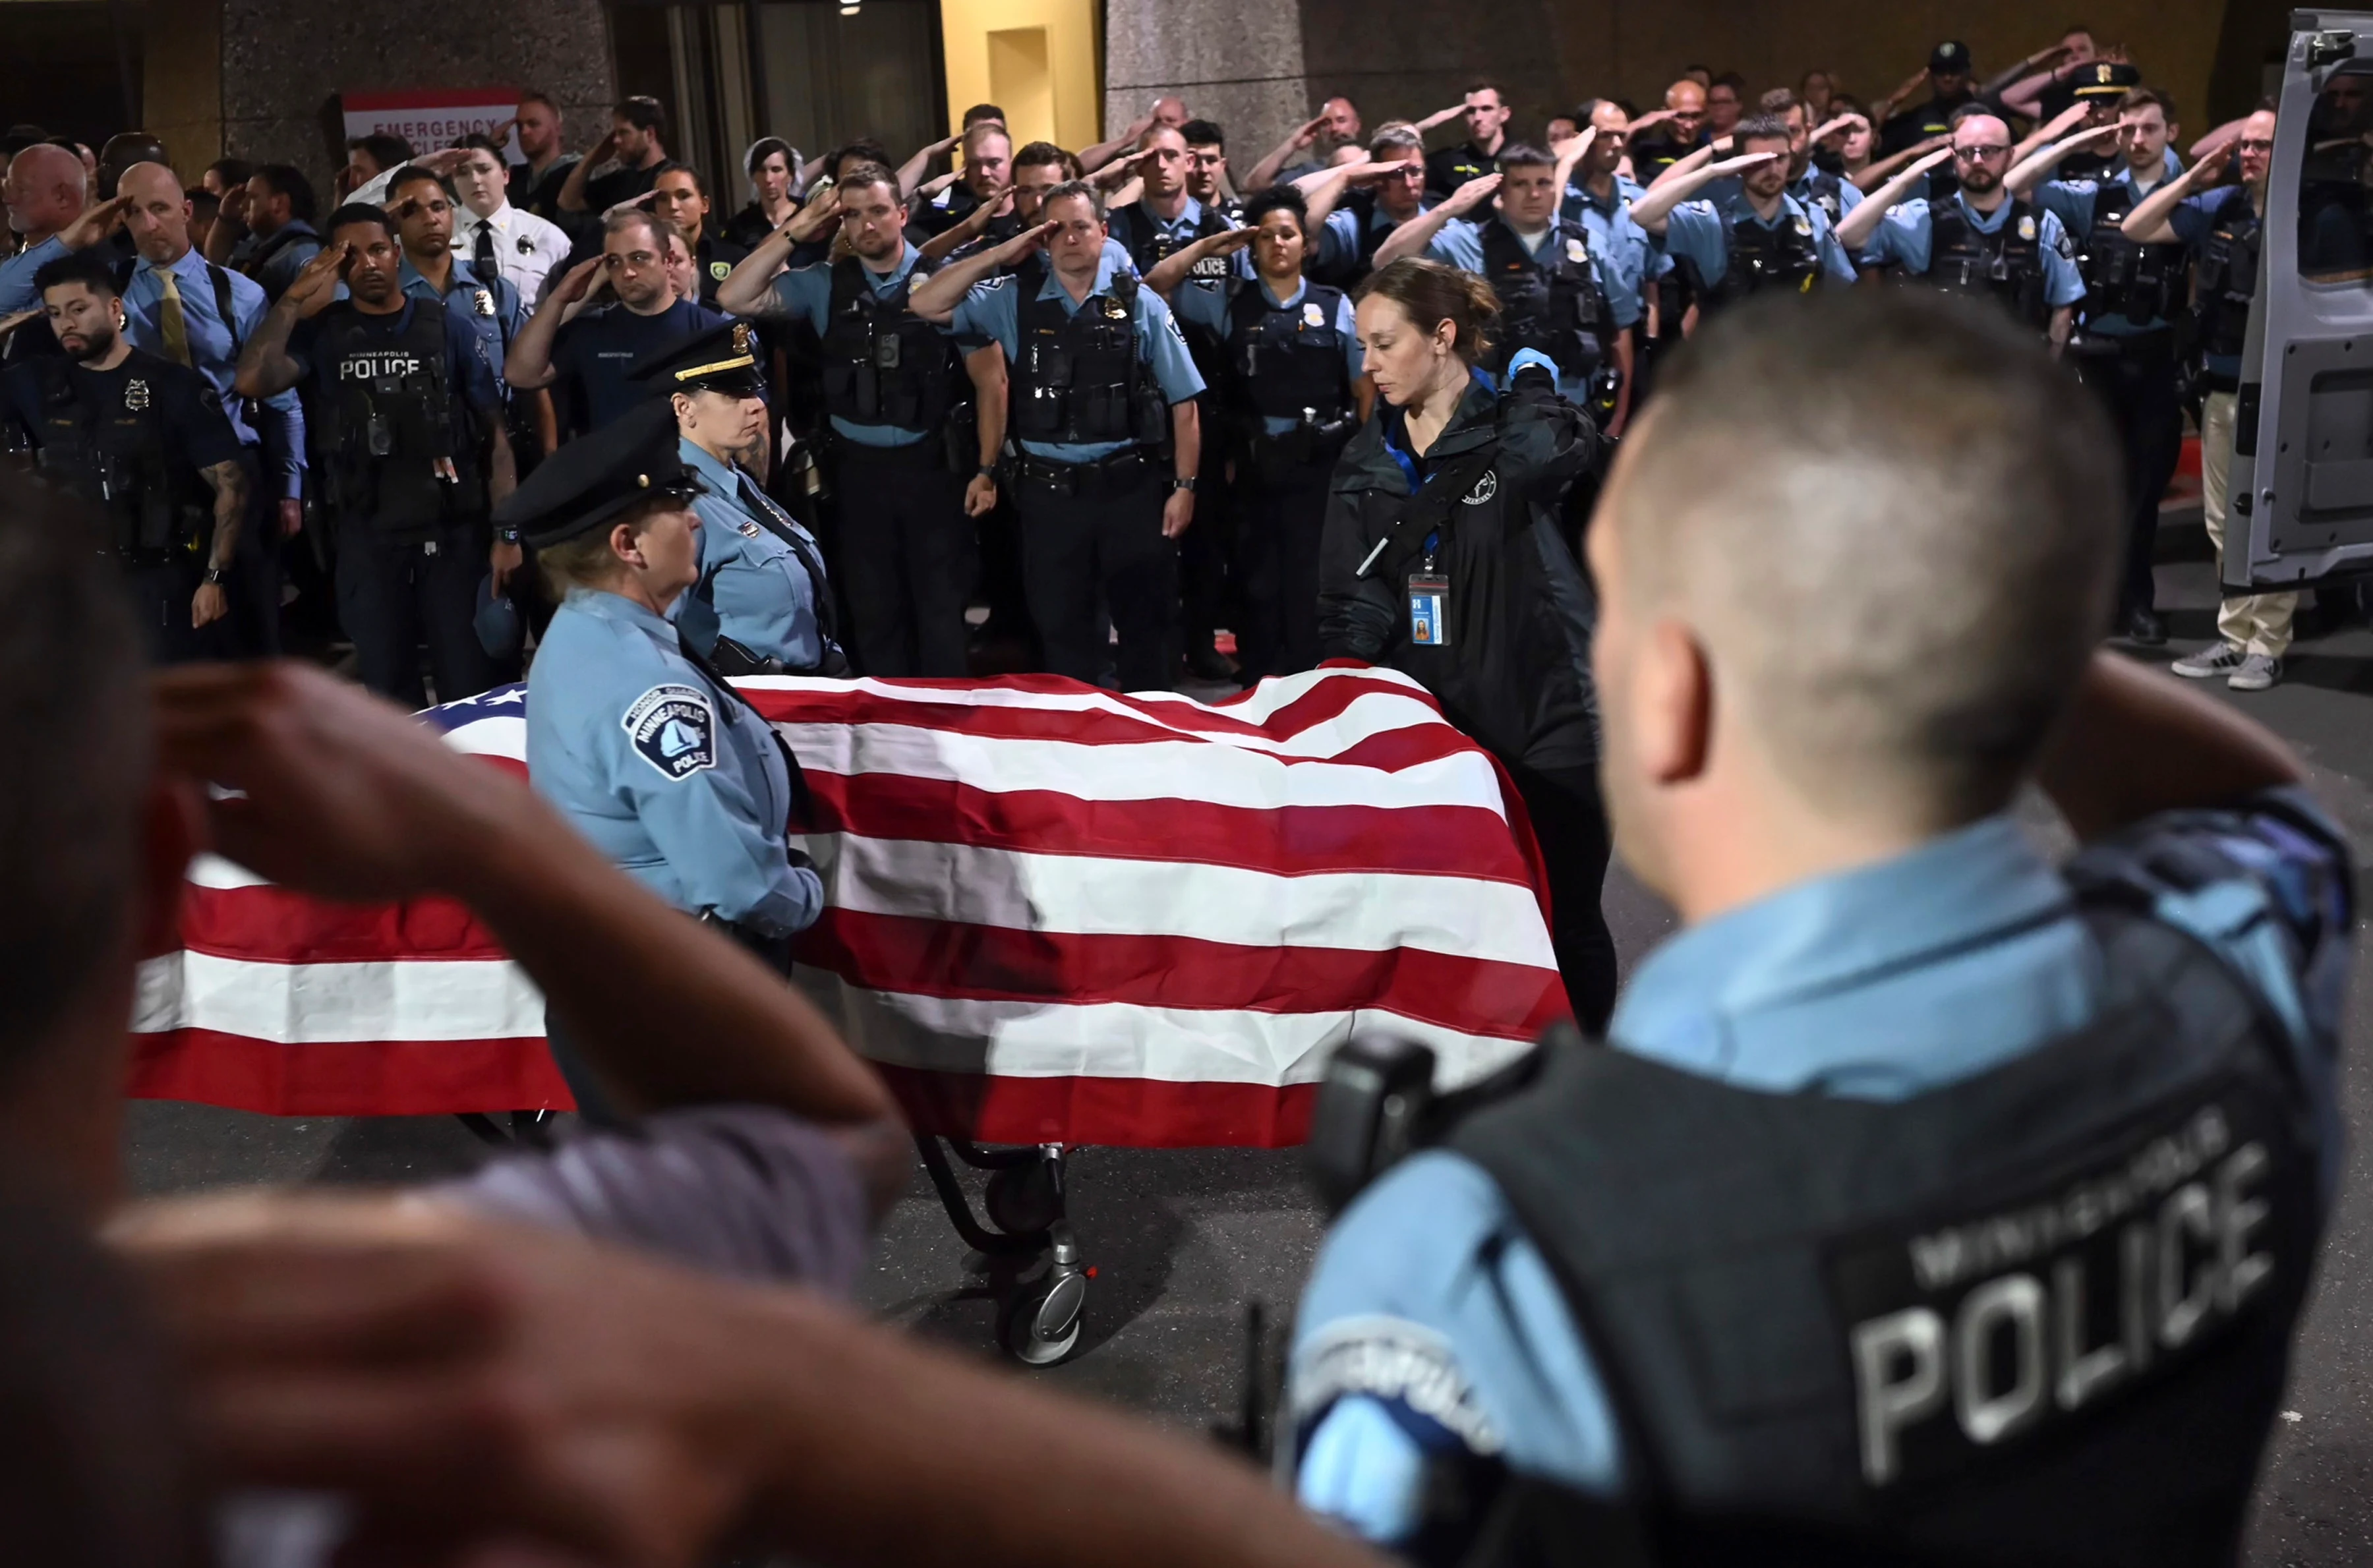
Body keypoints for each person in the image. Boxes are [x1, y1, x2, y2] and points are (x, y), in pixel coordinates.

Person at [1291, 285, 2350, 1568]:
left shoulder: (1482, 1261)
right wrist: (1970, 622)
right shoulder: (2232, 973)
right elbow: (2264, 812)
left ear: (1673, 691)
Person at [501, 400, 823, 1113]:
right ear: (629, 546)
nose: (699, 518)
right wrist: (805, 894)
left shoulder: (589, 636)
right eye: (679, 506)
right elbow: (736, 882)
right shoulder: (648, 686)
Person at [1316, 257, 1613, 1028]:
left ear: (1443, 337)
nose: (1369, 365)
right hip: (1440, 737)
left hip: (1554, 723)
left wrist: (1538, 388)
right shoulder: (1367, 458)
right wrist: (1346, 700)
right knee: (1456, 931)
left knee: (1564, 921)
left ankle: (1587, 1097)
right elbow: (1351, 598)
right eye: (1362, 347)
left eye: (1384, 344)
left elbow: (1546, 458)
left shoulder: (1518, 428)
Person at [911, 185, 1205, 693]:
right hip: (1050, 498)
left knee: (1147, 628)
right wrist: (1003, 251)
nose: (1070, 238)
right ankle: (1079, 745)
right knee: (1062, 630)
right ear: (1040, 239)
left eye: (1081, 226)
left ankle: (1151, 739)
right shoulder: (1013, 298)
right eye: (1056, 229)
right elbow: (925, 302)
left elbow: (1185, 402)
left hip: (1129, 491)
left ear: (1103, 232)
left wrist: (1185, 485)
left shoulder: (1139, 302)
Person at [231, 206, 513, 708]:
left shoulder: (448, 328)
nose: (369, 264)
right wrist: (296, 296)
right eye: (351, 256)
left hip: (450, 534)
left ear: (397, 253)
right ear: (338, 268)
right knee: (388, 694)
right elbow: (251, 380)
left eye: (378, 249)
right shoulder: (324, 334)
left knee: (468, 689)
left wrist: (506, 534)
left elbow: (496, 439)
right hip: (368, 536)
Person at [720, 163, 978, 679]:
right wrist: (799, 227)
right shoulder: (825, 285)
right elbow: (734, 296)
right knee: (874, 612)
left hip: (932, 466)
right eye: (853, 215)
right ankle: (891, 736)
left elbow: (989, 377)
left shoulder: (941, 277)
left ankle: (947, 738)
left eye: (879, 211)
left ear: (902, 214)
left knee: (940, 612)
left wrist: (987, 466)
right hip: (858, 472)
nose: (866, 225)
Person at [1150, 184, 1370, 680]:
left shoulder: (1335, 306)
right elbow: (1155, 284)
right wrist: (1210, 246)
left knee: (1309, 581)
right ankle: (1260, 681)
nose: (1278, 244)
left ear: (1306, 244)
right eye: (1266, 236)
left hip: (1318, 466)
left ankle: (1312, 680)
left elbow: (1365, 393)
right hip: (1249, 466)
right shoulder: (1230, 302)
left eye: (1287, 234)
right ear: (1252, 246)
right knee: (1256, 581)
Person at [89, 162, 304, 654]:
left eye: (160, 209)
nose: (149, 225)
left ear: (186, 211)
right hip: (148, 483)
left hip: (236, 474)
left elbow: (280, 399)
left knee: (251, 638)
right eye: (134, 214)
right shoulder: (106, 294)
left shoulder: (239, 293)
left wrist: (291, 488)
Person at [2, 252, 247, 662]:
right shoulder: (38, 383)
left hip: (159, 579)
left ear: (115, 307)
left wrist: (214, 579)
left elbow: (231, 484)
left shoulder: (173, 385)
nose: (67, 323)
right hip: (75, 584)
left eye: (78, 309)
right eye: (55, 313)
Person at [2018, 86, 2192, 647]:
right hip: (2097, 362)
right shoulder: (2090, 193)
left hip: (2158, 360)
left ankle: (2136, 604)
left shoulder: (2191, 194)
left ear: (2172, 133)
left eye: (2149, 129)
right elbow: (2017, 183)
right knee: (2098, 493)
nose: (2137, 140)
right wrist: (2083, 138)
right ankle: (2098, 605)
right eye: (2127, 130)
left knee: (2144, 494)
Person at [2126, 107, 2292, 691]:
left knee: (2271, 518)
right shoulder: (2219, 206)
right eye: (2244, 144)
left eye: (2262, 145)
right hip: (2221, 387)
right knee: (2225, 524)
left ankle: (2267, 644)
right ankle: (2235, 634)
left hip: (2282, 390)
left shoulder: (2307, 216)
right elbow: (2136, 228)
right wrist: (2192, 179)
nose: (2249, 154)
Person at [631, 322, 846, 679]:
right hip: (749, 702)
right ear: (684, 408)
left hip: (807, 688)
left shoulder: (736, 483)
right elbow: (651, 635)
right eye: (734, 396)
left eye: (755, 392)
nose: (757, 406)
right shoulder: (679, 505)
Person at [1378, 142, 1625, 419]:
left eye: (1543, 183)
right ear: (1502, 191)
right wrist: (1447, 209)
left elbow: (1621, 332)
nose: (1533, 194)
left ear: (1556, 188)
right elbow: (1385, 261)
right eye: (1520, 184)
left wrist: (1618, 418)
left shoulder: (1589, 244)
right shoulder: (1470, 241)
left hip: (1577, 409)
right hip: (1497, 411)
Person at [1837, 114, 2084, 346]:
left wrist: (2047, 372)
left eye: (1988, 151)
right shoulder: (1926, 218)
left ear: (2009, 156)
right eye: (1966, 152)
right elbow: (1848, 236)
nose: (1977, 161)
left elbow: (2063, 307)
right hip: (1946, 375)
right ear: (1954, 158)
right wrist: (1909, 175)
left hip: (2016, 377)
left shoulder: (2043, 224)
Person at [505, 208, 729, 438]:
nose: (627, 272)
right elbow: (520, 374)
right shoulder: (590, 330)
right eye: (615, 262)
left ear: (668, 260)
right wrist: (559, 298)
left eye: (639, 258)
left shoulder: (709, 330)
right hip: (612, 470)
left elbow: (746, 418)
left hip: (689, 469)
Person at [1629, 115, 1860, 316]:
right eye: (1759, 162)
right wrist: (1711, 171)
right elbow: (1642, 214)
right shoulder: (1712, 222)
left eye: (1780, 158)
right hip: (1730, 359)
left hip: (1798, 356)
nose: (1772, 170)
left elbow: (1843, 293)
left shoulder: (1813, 218)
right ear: (1738, 162)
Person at [386, 164, 527, 401]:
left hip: (494, 429)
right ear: (393, 221)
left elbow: (529, 378)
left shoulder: (495, 289)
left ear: (452, 213)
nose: (430, 219)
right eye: (412, 211)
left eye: (438, 207)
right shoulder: (385, 294)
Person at [449, 134, 571, 312]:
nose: (475, 180)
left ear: (506, 175)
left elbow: (573, 303)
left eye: (484, 169)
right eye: (463, 172)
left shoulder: (545, 234)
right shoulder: (438, 233)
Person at [1309, 124, 1432, 287]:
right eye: (1397, 173)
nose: (1409, 184)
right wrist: (1345, 178)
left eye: (1416, 171)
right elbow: (1305, 231)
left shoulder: (1446, 224)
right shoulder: (1354, 224)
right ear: (1377, 177)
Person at [646, 161, 748, 308]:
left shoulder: (735, 259)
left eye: (684, 196)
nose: (673, 207)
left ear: (705, 204)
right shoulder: (644, 260)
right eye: (663, 199)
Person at [0, 142, 86, 317]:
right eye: (8, 188)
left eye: (21, 190)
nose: (8, 199)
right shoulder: (14, 260)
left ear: (62, 197)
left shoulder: (92, 271)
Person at [214, 165, 321, 302]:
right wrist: (225, 218)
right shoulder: (259, 240)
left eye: (252, 197)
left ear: (279, 203)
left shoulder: (302, 252)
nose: (243, 205)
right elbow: (216, 262)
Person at [557, 94, 670, 218]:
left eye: (624, 132)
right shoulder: (618, 180)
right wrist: (591, 160)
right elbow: (567, 202)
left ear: (649, 134)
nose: (616, 140)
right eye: (615, 134)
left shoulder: (672, 177)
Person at [1878, 40, 1979, 159]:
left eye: (1954, 70)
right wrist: (1893, 101)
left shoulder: (1986, 113)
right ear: (1930, 75)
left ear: (1967, 73)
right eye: (1940, 71)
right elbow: (1870, 142)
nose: (1947, 78)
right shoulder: (1915, 120)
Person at [1424, 82, 1512, 200]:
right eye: (1471, 111)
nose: (1478, 118)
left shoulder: (1523, 158)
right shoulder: (1449, 161)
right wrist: (1428, 124)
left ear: (1504, 114)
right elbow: (1397, 164)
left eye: (1486, 109)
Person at [507, 88, 581, 225]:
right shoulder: (516, 178)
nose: (524, 132)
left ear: (558, 128)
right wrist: (491, 147)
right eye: (519, 126)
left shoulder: (574, 172)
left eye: (533, 124)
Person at [726, 135, 800, 248]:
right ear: (753, 176)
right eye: (761, 171)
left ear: (791, 174)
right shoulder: (739, 226)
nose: (768, 179)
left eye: (776, 170)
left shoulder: (808, 211)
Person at [1627, 79, 1710, 179]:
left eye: (1696, 116)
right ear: (1664, 114)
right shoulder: (1644, 152)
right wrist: (1637, 125)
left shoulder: (1711, 152)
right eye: (1681, 116)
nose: (1689, 126)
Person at [1705, 71, 1747, 140]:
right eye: (1713, 102)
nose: (1718, 107)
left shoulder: (1749, 137)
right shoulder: (1699, 138)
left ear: (1739, 105)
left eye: (1724, 102)